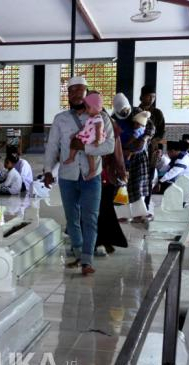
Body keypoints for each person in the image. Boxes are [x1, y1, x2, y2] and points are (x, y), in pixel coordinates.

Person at [43, 76, 114, 275]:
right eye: (70, 91)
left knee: (90, 217)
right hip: (67, 176)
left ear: (87, 93)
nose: (74, 94)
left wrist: (86, 147)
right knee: (72, 217)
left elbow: (108, 146)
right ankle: (78, 254)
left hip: (92, 177)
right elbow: (52, 146)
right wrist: (48, 170)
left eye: (78, 90)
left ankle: (87, 261)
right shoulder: (61, 119)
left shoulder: (102, 118)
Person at [113, 94, 154, 224]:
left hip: (138, 156)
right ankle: (122, 214)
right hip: (121, 156)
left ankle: (139, 214)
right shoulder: (112, 119)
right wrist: (122, 150)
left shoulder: (137, 112)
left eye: (126, 110)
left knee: (137, 185)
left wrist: (144, 138)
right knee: (121, 185)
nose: (125, 113)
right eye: (122, 112)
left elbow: (151, 127)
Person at [98, 108, 129, 255]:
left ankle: (104, 240)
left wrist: (122, 172)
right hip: (102, 175)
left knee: (103, 210)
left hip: (104, 175)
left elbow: (117, 152)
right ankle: (105, 240)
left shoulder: (108, 125)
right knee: (103, 209)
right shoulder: (96, 122)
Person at [63, 92, 105, 180]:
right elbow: (84, 127)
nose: (86, 110)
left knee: (89, 153)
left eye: (88, 107)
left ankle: (92, 170)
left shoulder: (98, 118)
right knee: (74, 141)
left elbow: (98, 129)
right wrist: (76, 134)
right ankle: (71, 157)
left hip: (93, 137)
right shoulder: (91, 117)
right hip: (87, 136)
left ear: (96, 108)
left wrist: (97, 140)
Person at [139, 85, 166, 168]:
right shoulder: (136, 111)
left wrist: (155, 141)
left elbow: (162, 131)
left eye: (153, 97)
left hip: (152, 148)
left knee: (151, 170)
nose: (151, 99)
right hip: (138, 146)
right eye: (149, 96)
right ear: (142, 96)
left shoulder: (158, 113)